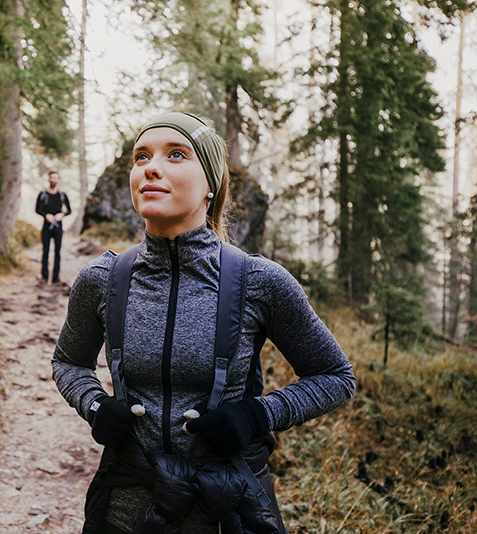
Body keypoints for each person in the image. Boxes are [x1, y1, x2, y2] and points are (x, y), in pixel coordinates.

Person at [51, 112, 356, 533]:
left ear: (210, 184)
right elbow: (68, 362)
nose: (151, 167)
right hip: (125, 512)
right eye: (141, 157)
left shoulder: (259, 281)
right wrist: (96, 404)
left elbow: (335, 376)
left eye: (177, 154)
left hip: (228, 512)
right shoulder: (101, 280)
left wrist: (256, 415)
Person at [35, 170, 72, 284]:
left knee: (57, 252)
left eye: (55, 178)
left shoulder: (62, 195)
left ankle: (56, 278)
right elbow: (37, 209)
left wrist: (62, 215)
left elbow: (69, 210)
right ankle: (44, 277)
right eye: (52, 178)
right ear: (48, 179)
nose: (53, 180)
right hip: (46, 226)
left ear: (58, 180)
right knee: (45, 252)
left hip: (58, 227)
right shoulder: (43, 194)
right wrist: (46, 215)